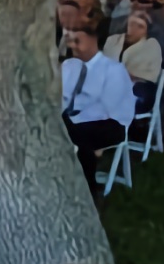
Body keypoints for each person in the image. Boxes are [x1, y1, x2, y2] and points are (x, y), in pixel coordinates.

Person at [57, 26, 137, 181]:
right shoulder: (69, 66)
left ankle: (85, 186)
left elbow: (113, 111)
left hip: (110, 124)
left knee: (77, 136)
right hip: (75, 119)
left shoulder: (113, 70)